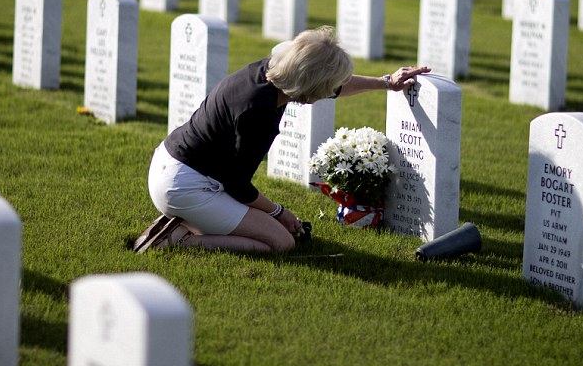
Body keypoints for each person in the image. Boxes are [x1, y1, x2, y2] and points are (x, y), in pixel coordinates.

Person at [134, 25, 430, 254]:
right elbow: (238, 186)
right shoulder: (257, 111)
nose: (329, 93)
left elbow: (333, 85)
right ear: (311, 85)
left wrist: (386, 82)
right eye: (326, 88)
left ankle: (188, 221)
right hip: (185, 185)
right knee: (280, 242)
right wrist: (279, 211)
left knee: (272, 230)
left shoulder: (272, 71)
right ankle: (178, 240)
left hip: (174, 164)